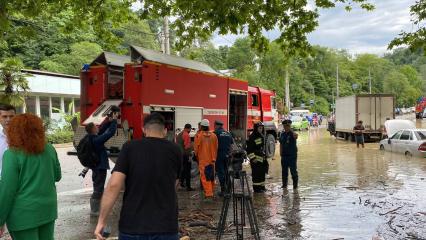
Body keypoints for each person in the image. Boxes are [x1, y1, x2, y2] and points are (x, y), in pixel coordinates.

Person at [94, 113, 182, 240]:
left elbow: (114, 185)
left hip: (133, 227)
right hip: (166, 226)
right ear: (165, 130)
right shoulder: (175, 150)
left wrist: (101, 220)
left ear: (144, 129)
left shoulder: (130, 147)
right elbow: (175, 184)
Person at [0, 114, 61, 240]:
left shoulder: (11, 154)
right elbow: (57, 176)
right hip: (47, 211)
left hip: (23, 215)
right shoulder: (49, 149)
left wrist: (0, 220)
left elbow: (7, 191)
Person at [86, 108, 119, 216]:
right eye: (96, 127)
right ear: (93, 130)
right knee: (99, 188)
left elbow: (102, 129)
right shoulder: (97, 140)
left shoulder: (91, 137)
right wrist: (114, 121)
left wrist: (108, 121)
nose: (98, 127)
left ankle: (96, 209)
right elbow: (110, 133)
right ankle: (94, 210)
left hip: (96, 166)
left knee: (98, 186)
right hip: (100, 167)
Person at [194, 119, 218, 200]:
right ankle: (211, 192)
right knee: (211, 177)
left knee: (205, 177)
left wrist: (196, 156)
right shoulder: (214, 135)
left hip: (203, 160)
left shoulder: (199, 136)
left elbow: (196, 148)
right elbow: (216, 147)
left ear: (201, 126)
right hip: (212, 160)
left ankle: (209, 194)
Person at [213, 120, 233, 196]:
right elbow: (231, 145)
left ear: (217, 125)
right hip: (227, 155)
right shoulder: (228, 133)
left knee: (221, 172)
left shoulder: (215, 133)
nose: (214, 127)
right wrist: (230, 154)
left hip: (219, 155)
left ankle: (223, 190)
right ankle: (229, 189)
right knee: (227, 171)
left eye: (214, 125)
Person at [247, 122, 267, 193]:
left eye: (262, 128)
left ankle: (262, 187)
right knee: (256, 174)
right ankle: (257, 189)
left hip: (261, 158)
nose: (261, 129)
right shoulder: (252, 137)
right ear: (256, 128)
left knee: (262, 173)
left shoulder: (261, 135)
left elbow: (262, 147)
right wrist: (253, 158)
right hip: (255, 159)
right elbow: (249, 150)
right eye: (259, 128)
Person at [279, 120, 299, 189]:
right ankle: (284, 185)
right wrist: (280, 153)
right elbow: (281, 144)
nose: (286, 127)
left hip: (292, 156)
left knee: (293, 171)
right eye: (285, 126)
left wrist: (291, 130)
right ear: (283, 126)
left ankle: (295, 187)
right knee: (284, 172)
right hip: (284, 156)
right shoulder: (282, 134)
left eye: (288, 126)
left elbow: (296, 136)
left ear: (290, 126)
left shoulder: (292, 133)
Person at [176, 123, 194, 191]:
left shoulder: (179, 134)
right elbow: (187, 147)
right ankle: (188, 186)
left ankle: (181, 184)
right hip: (185, 155)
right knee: (187, 170)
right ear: (188, 128)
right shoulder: (186, 135)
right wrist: (190, 155)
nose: (190, 131)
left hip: (180, 155)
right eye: (190, 129)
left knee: (182, 170)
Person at [0, 104, 15, 175]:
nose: (8, 119)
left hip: (19, 182)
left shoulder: (24, 137)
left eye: (11, 116)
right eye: (4, 116)